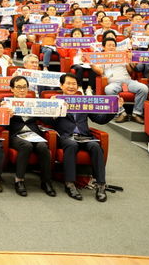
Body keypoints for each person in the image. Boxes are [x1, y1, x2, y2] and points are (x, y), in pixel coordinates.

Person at [47, 73, 113, 202]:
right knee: (72, 145)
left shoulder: (84, 101)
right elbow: (47, 122)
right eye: (68, 83)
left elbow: (99, 120)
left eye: (74, 84)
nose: (71, 86)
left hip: (84, 136)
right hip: (66, 137)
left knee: (95, 146)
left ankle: (100, 185)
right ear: (61, 85)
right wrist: (55, 108)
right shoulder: (55, 100)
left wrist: (115, 109)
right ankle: (70, 184)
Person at [5, 76, 56, 198]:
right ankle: (19, 180)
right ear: (12, 89)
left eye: (24, 87)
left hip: (34, 134)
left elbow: (46, 120)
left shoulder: (34, 102)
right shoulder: (6, 102)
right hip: (17, 135)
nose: (22, 90)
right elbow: (1, 123)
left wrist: (54, 109)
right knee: (26, 146)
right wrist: (7, 115)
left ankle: (46, 181)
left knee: (43, 147)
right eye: (18, 87)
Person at [93, 38, 147, 124]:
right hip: (113, 82)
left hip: (127, 81)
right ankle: (121, 112)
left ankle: (136, 113)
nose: (112, 47)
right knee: (109, 90)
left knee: (143, 88)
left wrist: (131, 61)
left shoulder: (121, 55)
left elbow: (130, 70)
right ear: (103, 47)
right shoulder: (101, 58)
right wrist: (91, 64)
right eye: (109, 45)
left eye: (113, 45)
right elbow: (100, 72)